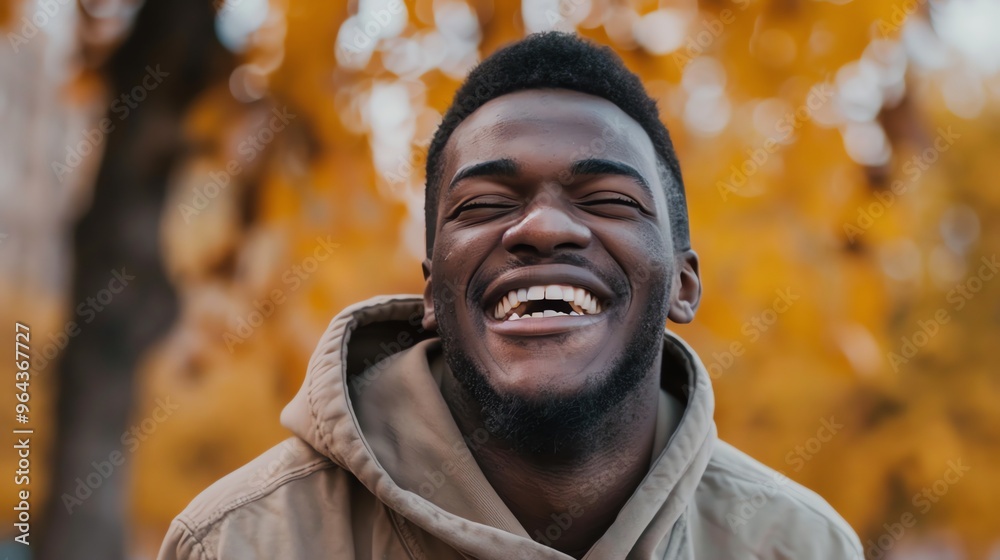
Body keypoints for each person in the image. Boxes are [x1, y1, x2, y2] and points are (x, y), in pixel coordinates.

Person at [158, 32, 863, 559]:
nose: (544, 226)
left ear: (683, 281)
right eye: (486, 203)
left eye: (608, 199)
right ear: (432, 291)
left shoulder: (800, 546)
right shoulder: (239, 542)